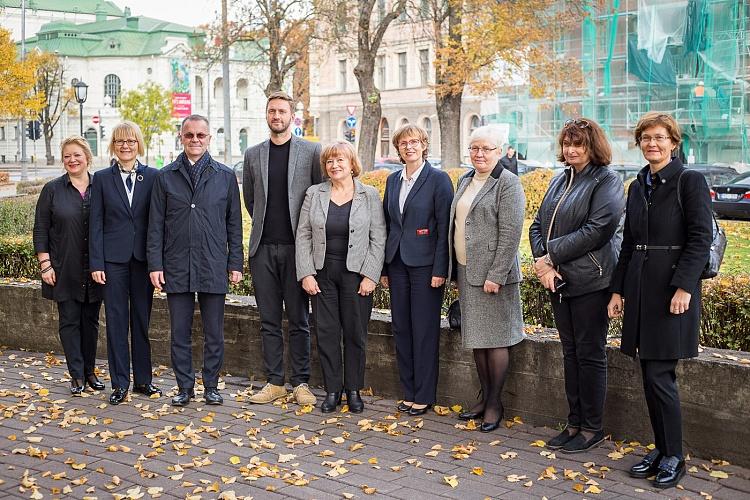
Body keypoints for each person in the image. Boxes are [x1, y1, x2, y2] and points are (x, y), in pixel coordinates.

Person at [608, 112, 712, 489]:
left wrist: (684, 287)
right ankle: (661, 447)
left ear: (673, 142)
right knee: (648, 376)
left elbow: (701, 239)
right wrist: (618, 290)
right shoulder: (637, 185)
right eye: (646, 138)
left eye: (660, 137)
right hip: (639, 289)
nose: (652, 143)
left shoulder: (689, 181)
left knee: (660, 376)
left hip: (672, 292)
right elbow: (629, 244)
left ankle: (674, 455)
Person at [529, 117, 624, 453]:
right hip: (559, 281)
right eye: (567, 144)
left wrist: (551, 256)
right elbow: (538, 225)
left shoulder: (607, 181)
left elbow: (597, 230)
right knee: (570, 354)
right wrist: (544, 266)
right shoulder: (560, 180)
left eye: (578, 144)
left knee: (590, 355)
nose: (571, 150)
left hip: (591, 280)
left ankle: (592, 428)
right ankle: (573, 422)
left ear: (592, 146)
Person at [147, 114, 243, 407]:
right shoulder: (165, 177)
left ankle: (211, 386)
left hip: (213, 262)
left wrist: (235, 263)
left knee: (214, 332)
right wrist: (155, 265)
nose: (195, 140)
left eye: (201, 135)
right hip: (176, 263)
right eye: (190, 135)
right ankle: (184, 388)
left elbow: (234, 224)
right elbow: (155, 225)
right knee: (180, 332)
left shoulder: (225, 176)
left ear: (209, 138)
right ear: (181, 138)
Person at [243, 91, 322, 406]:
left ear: (293, 116)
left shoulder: (311, 152)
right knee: (269, 319)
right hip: (263, 248)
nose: (276, 116)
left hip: (297, 250)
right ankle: (275, 381)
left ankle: (301, 382)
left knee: (300, 319)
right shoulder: (253, 154)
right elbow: (251, 200)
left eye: (282, 112)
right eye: (271, 111)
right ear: (266, 115)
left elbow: (318, 197)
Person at [296, 141, 386, 413]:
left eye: (340, 160)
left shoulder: (368, 195)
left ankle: (354, 390)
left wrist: (371, 274)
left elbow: (378, 237)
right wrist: (306, 273)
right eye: (330, 161)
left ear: (351, 164)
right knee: (327, 333)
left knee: (356, 334)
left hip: (356, 277)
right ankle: (333, 390)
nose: (334, 166)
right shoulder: (315, 193)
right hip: (322, 275)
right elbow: (303, 234)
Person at [448, 125, 526, 432]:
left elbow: (510, 233)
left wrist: (496, 274)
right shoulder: (465, 179)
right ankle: (482, 399)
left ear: (499, 152)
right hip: (468, 271)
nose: (479, 154)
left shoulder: (508, 183)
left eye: (487, 149)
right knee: (477, 341)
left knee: (495, 342)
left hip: (494, 275)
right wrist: (456, 270)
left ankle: (495, 403)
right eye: (475, 148)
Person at [381, 124, 453, 416]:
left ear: (424, 145)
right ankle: (409, 391)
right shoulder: (392, 181)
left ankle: (424, 394)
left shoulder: (438, 179)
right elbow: (388, 226)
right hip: (397, 263)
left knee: (423, 330)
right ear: (397, 149)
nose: (409, 147)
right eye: (403, 143)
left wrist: (441, 269)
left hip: (426, 267)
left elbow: (444, 227)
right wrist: (385, 267)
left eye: (414, 142)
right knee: (402, 328)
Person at [89, 122, 160, 405]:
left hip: (143, 261)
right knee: (117, 323)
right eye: (119, 141)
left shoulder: (153, 177)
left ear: (138, 144)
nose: (125, 146)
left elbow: (157, 223)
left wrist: (158, 262)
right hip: (113, 261)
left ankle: (144, 381)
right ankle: (120, 383)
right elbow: (95, 224)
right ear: (113, 145)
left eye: (131, 141)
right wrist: (97, 263)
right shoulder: (103, 178)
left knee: (141, 322)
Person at [33, 136, 103, 395]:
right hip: (63, 267)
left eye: (77, 155)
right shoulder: (52, 189)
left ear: (87, 157)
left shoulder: (101, 186)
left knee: (91, 322)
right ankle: (76, 374)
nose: (72, 160)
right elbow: (40, 229)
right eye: (67, 156)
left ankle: (90, 371)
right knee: (69, 321)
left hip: (94, 268)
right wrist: (45, 265)